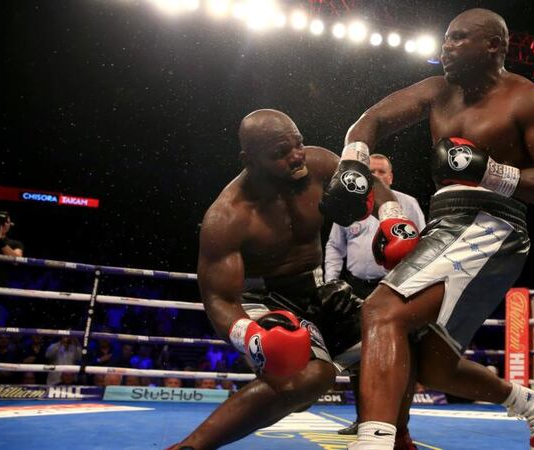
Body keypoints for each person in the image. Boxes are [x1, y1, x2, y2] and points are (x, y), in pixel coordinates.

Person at [341, 8, 534, 450]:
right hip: (445, 223)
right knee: (431, 360)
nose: (445, 48)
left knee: (380, 311)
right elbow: (371, 120)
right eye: (445, 39)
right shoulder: (439, 90)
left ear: (493, 45)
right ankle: (533, 405)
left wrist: (491, 173)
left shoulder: (529, 99)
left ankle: (374, 441)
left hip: (494, 223)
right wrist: (352, 165)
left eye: (457, 39)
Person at [168, 109, 420, 450]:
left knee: (401, 335)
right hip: (264, 300)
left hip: (317, 290)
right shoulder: (228, 216)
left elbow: (370, 184)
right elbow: (219, 300)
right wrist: (252, 336)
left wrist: (391, 219)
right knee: (310, 379)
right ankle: (190, 447)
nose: (295, 157)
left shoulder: (318, 165)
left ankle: (397, 436)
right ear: (249, 159)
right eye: (280, 153)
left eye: (298, 144)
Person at [324, 153, 425, 435]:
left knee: (400, 354)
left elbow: (424, 243)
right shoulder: (349, 203)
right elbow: (334, 247)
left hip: (395, 285)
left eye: (382, 172)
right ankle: (362, 419)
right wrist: (331, 282)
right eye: (372, 173)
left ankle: (399, 424)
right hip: (356, 287)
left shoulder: (407, 204)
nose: (377, 177)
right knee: (359, 356)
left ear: (391, 177)